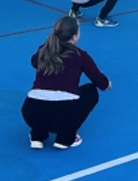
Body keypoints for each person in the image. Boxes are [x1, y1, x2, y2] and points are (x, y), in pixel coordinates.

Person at [21, 16, 111, 150]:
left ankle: (37, 135)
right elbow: (101, 83)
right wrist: (107, 83)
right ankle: (65, 138)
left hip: (30, 111)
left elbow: (34, 62)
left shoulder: (44, 50)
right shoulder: (80, 55)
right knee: (91, 91)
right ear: (74, 37)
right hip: (63, 114)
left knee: (43, 103)